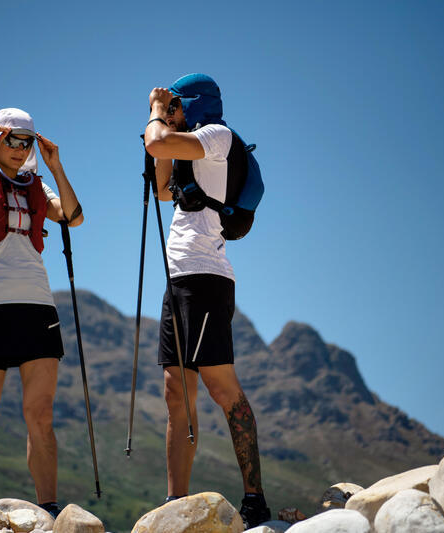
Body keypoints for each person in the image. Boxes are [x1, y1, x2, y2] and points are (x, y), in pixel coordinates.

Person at [143, 73, 271, 528]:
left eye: (177, 104)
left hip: (207, 279)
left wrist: (157, 118)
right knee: (176, 392)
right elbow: (161, 190)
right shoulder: (186, 147)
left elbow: (158, 144)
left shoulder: (216, 134)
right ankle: (176, 500)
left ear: (194, 105)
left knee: (221, 388)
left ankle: (254, 497)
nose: (170, 111)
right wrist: (159, 129)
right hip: (179, 279)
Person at [0, 107, 83, 518]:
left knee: (40, 414)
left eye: (25, 141)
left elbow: (74, 217)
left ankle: (48, 509)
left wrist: (56, 166)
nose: (18, 148)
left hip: (37, 305)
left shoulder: (39, 187)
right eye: (11, 139)